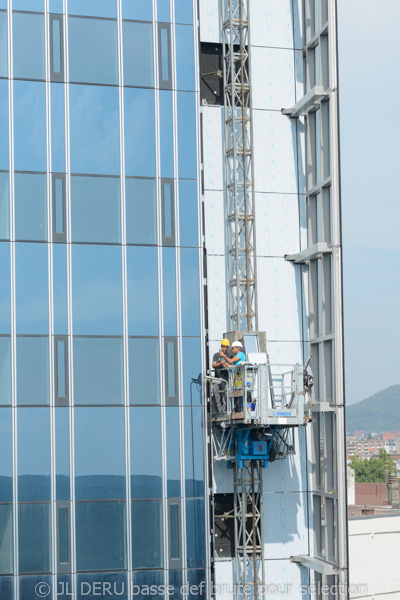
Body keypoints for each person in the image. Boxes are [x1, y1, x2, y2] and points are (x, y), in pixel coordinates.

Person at [212, 338, 231, 412]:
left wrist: (224, 362)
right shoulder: (216, 355)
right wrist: (220, 363)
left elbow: (230, 365)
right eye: (223, 347)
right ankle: (219, 412)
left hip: (225, 379)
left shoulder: (230, 356)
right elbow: (213, 365)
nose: (225, 349)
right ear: (221, 346)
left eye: (226, 347)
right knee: (217, 395)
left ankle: (223, 411)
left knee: (224, 396)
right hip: (217, 378)